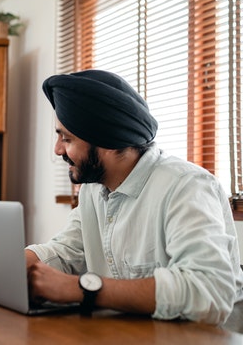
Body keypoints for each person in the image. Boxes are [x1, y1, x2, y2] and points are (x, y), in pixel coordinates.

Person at [24, 69, 243, 325]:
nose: (58, 149)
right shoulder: (93, 190)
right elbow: (67, 250)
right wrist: (11, 265)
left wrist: (82, 288)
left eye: (67, 138)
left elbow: (207, 291)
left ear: (107, 141)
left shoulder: (186, 186)